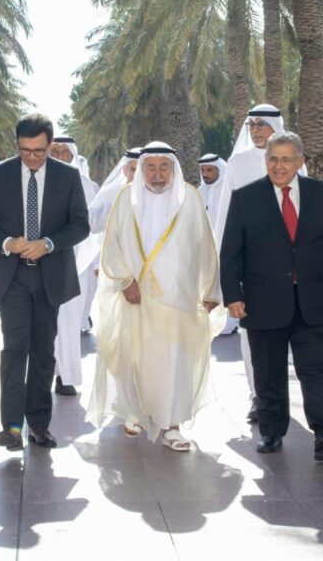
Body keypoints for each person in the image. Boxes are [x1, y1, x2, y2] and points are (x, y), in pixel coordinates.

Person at [220, 131, 323, 461]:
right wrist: (232, 294)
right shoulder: (246, 197)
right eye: (272, 159)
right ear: (266, 161)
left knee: (315, 369)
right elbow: (231, 251)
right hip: (263, 301)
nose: (278, 166)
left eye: (286, 160)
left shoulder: (320, 194)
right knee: (268, 371)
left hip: (314, 300)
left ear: (300, 162)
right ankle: (272, 432)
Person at [87, 142, 221, 452]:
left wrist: (211, 289)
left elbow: (206, 245)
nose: (157, 174)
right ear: (142, 169)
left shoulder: (190, 198)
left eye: (164, 167)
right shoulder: (126, 198)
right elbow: (112, 243)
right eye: (150, 167)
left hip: (180, 296)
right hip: (136, 296)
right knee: (136, 357)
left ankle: (172, 426)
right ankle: (137, 411)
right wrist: (124, 280)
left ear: (173, 168)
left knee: (175, 361)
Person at [0, 113, 90, 450]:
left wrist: (48, 244)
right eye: (25, 150)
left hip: (50, 277)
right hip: (12, 277)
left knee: (43, 352)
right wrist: (8, 242)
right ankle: (11, 427)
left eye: (39, 150)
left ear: (50, 144)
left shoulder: (68, 176)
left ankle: (39, 425)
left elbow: (80, 225)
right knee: (14, 349)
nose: (32, 157)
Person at [214, 104, 304, 424]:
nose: (255, 130)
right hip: (250, 266)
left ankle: (277, 396)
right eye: (251, 125)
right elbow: (225, 214)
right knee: (250, 337)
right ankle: (258, 397)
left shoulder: (293, 161)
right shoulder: (238, 164)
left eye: (261, 125)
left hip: (287, 269)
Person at [48, 135, 101, 396]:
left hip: (77, 266)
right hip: (41, 264)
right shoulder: (35, 181)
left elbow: (96, 229)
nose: (59, 156)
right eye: (54, 151)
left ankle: (65, 376)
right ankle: (44, 373)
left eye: (64, 152)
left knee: (68, 324)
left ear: (72, 155)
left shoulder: (87, 186)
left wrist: (97, 263)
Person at [198, 153, 235, 336]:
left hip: (226, 244)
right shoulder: (200, 191)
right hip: (206, 247)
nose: (206, 174)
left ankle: (230, 322)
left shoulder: (229, 191)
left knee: (227, 282)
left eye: (210, 170)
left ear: (219, 170)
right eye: (203, 170)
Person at [88, 147, 141, 235]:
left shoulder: (154, 194)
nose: (136, 175)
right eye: (133, 169)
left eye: (141, 171)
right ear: (124, 170)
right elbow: (92, 225)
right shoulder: (111, 192)